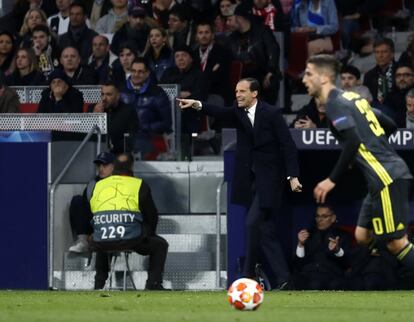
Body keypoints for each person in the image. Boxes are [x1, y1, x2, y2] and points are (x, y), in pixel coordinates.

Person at [177, 78, 302, 289]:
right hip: (249, 180)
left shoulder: (271, 113)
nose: (238, 95)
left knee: (252, 223)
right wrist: (197, 104)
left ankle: (247, 275)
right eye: (236, 91)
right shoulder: (237, 111)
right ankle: (285, 278)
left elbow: (288, 146)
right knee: (265, 230)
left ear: (255, 93)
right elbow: (220, 111)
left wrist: (293, 176)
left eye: (242, 91)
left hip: (269, 179)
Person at [305, 54, 414, 276]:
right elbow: (390, 124)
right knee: (362, 236)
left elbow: (353, 140)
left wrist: (331, 179)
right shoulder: (352, 99)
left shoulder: (335, 104)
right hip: (381, 177)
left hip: (386, 176)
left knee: (396, 243)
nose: (304, 79)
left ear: (324, 77)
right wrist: (373, 148)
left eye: (309, 74)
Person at [87, 152, 169, 290]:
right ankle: (153, 284)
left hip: (101, 239)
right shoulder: (138, 185)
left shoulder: (98, 185)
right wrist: (149, 232)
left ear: (114, 167)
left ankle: (99, 284)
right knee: (160, 245)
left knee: (103, 237)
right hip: (130, 238)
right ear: (132, 167)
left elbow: (93, 211)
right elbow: (151, 215)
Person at [120, 58, 172, 159]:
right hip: (122, 136)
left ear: (147, 73)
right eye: (133, 71)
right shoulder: (121, 91)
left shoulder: (158, 93)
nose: (136, 74)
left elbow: (167, 122)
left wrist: (146, 127)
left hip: (148, 136)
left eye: (140, 72)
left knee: (139, 143)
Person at [292, 204, 352, 290]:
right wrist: (300, 245)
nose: (319, 220)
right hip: (307, 276)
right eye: (317, 216)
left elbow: (347, 266)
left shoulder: (343, 236)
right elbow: (296, 266)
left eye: (324, 216)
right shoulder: (307, 235)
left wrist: (337, 250)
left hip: (330, 277)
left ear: (333, 218)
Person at [68, 152, 115, 253]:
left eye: (105, 165)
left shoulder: (120, 183)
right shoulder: (92, 184)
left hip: (114, 222)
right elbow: (85, 210)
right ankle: (83, 241)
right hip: (96, 222)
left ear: (113, 166)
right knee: (78, 200)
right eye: (99, 165)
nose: (101, 169)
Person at [89, 82, 139, 153]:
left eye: (108, 94)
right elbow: (87, 136)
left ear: (118, 96)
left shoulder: (128, 111)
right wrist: (95, 116)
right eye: (102, 94)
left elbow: (131, 136)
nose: (104, 98)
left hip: (119, 153)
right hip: (95, 151)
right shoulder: (93, 108)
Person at [363, 38, 396, 106]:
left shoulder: (401, 72)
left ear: (392, 54)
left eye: (384, 52)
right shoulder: (369, 76)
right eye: (377, 52)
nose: (380, 56)